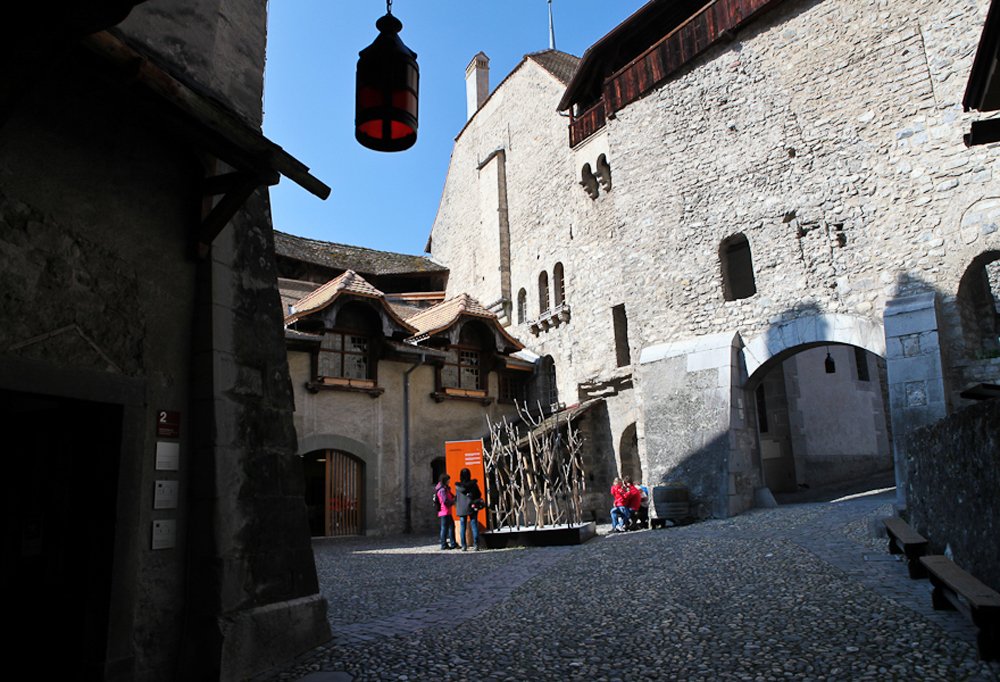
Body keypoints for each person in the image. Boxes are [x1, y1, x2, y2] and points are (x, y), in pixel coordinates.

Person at [454, 467, 482, 551]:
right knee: (474, 525)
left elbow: (457, 498)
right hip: (472, 506)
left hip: (462, 508)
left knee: (463, 527)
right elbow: (479, 494)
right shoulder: (473, 484)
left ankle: (464, 545)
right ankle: (476, 545)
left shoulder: (458, 487)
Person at [435, 473, 458, 550]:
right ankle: (444, 544)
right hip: (444, 511)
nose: (449, 481)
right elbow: (445, 501)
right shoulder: (442, 490)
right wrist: (452, 502)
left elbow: (451, 496)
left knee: (451, 526)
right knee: (444, 528)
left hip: (447, 511)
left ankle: (452, 543)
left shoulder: (445, 488)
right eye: (448, 480)